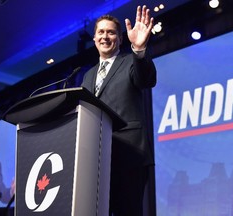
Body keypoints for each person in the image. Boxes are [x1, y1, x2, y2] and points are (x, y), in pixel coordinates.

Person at [81, 5, 156, 216]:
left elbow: (146, 79)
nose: (105, 36)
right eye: (101, 32)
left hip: (130, 155)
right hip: (97, 159)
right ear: (94, 39)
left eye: (111, 32)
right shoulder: (87, 76)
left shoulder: (130, 62)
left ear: (120, 39)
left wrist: (139, 50)